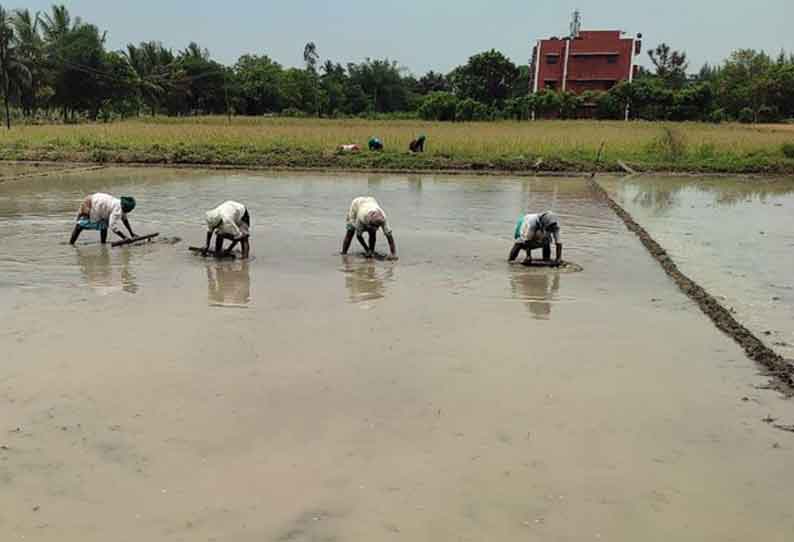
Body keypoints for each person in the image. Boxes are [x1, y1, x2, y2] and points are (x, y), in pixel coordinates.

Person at [69, 193, 136, 245]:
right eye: (130, 209)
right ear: (126, 208)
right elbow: (112, 226)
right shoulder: (118, 210)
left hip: (95, 200)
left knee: (104, 225)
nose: (130, 211)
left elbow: (124, 219)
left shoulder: (120, 204)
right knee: (80, 225)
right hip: (91, 204)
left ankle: (103, 244)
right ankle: (71, 244)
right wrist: (124, 237)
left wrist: (131, 233)